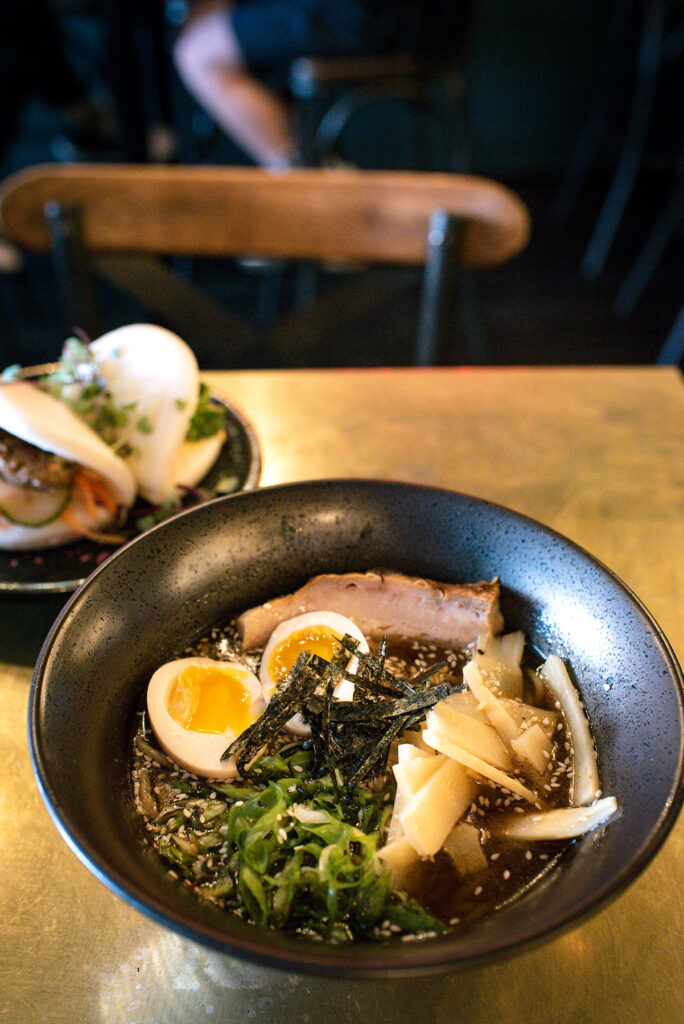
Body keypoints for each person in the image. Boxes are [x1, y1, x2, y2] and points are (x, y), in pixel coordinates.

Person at [173, 1, 466, 168]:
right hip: (426, 17)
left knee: (198, 52)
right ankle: (314, 178)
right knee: (213, 21)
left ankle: (309, 192)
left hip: (375, 17)